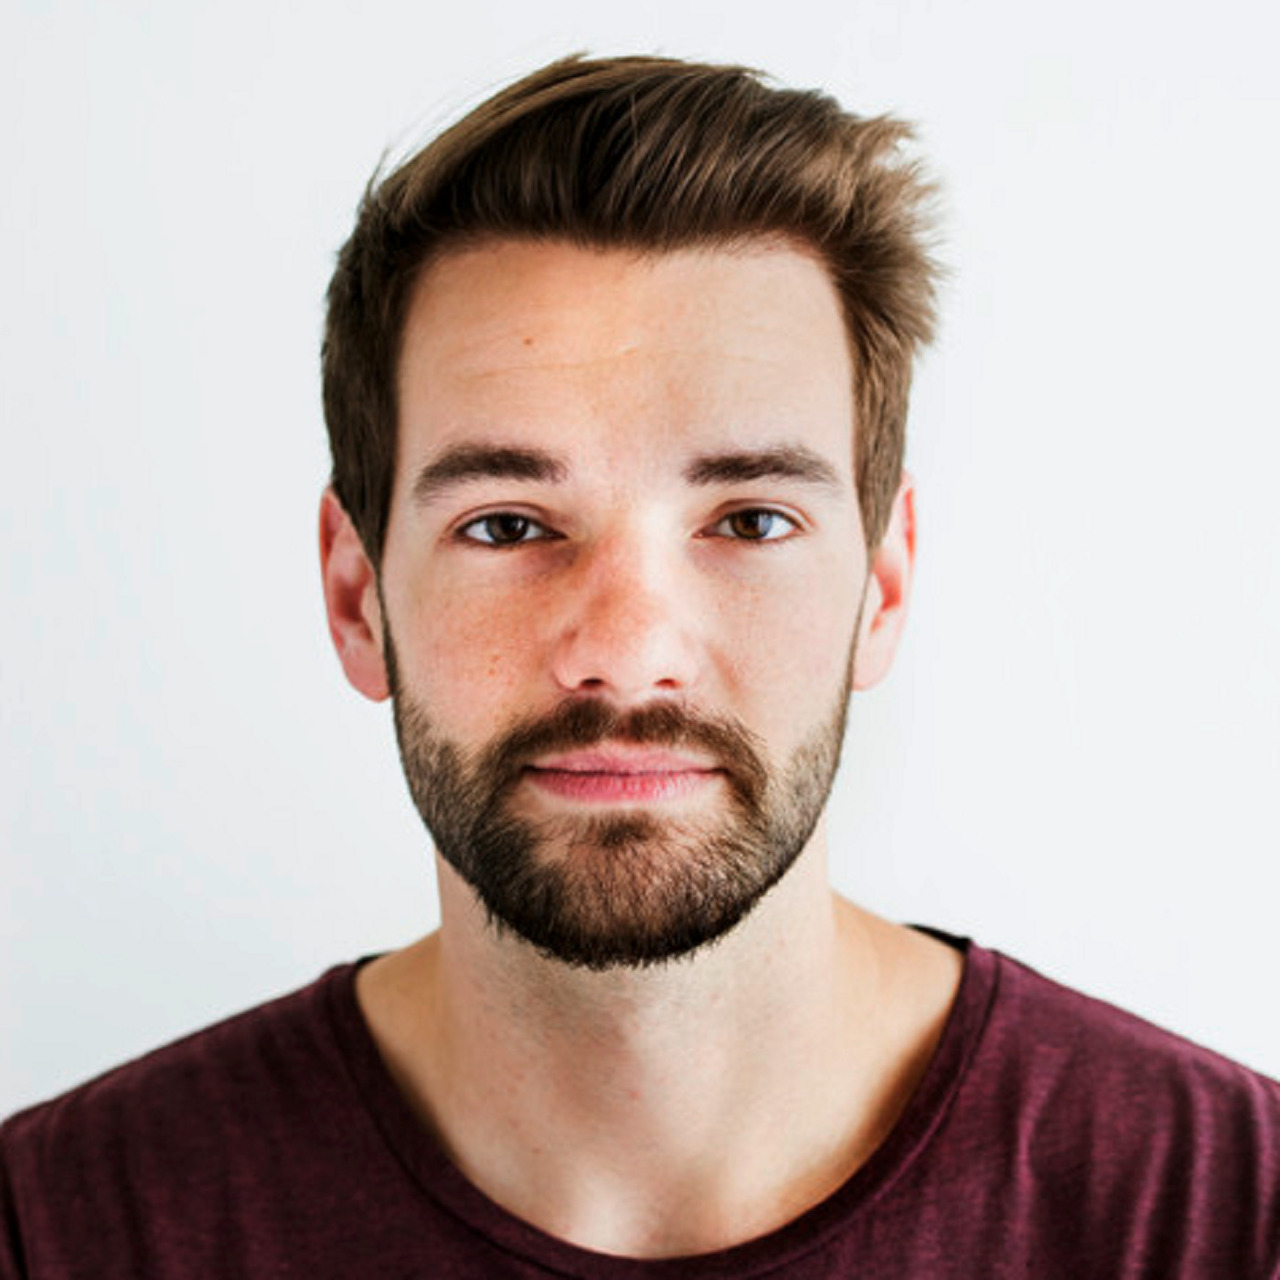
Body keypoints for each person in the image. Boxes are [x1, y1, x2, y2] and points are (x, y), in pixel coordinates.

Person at [2, 53, 1278, 1279]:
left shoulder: (1227, 1210)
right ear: (356, 597)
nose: (623, 650)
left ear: (881, 585)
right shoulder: (59, 1226)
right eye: (505, 524)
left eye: (748, 521)